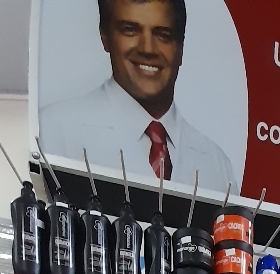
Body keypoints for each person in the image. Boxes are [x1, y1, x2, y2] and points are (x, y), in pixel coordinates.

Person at [40, 0, 239, 194]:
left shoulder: (217, 166)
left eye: (163, 35)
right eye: (130, 30)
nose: (148, 49)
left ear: (180, 48)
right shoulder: (53, 131)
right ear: (105, 37)